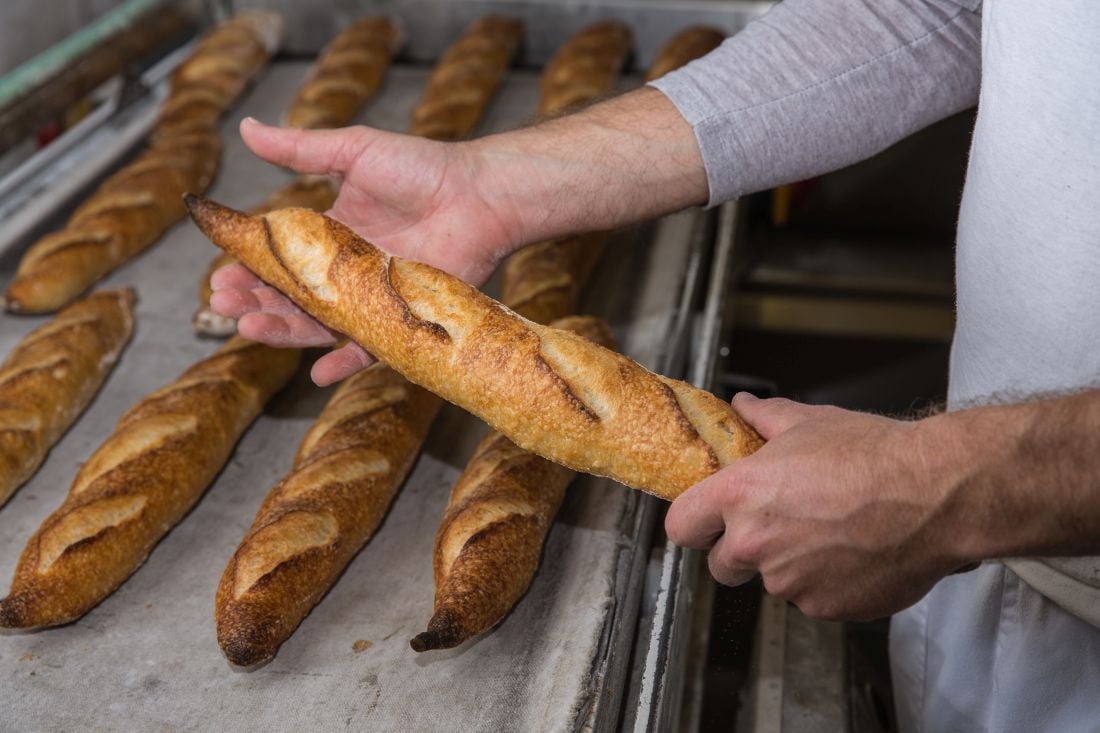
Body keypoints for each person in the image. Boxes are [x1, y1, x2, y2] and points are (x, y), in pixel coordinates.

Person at [209, 0, 1100, 730]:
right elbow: (927, 10)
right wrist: (491, 186)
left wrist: (947, 483)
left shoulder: (951, 489)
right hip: (1003, 583)